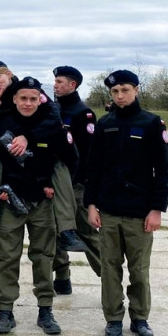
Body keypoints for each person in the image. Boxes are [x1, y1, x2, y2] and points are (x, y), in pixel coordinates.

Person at [0, 76, 75, 336]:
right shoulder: (3, 121)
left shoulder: (50, 124)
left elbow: (69, 159)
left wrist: (56, 185)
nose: (28, 103)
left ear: (40, 100)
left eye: (33, 98)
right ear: (14, 99)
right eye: (23, 98)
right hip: (10, 202)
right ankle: (5, 311)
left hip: (41, 202)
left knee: (43, 257)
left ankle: (45, 309)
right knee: (6, 258)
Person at [85, 70, 168, 336]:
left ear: (136, 90)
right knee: (109, 269)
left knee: (139, 271)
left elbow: (163, 171)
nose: (120, 96)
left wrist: (156, 209)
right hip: (108, 211)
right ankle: (113, 319)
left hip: (140, 212)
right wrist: (90, 205)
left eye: (125, 90)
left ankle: (140, 318)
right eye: (115, 92)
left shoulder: (151, 124)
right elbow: (94, 169)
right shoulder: (105, 124)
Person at [0, 66, 85, 257]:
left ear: (9, 75)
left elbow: (58, 129)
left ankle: (68, 231)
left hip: (42, 182)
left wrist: (28, 138)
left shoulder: (34, 95)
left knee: (59, 166)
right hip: (11, 183)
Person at [51, 65, 101, 294]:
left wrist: (81, 183)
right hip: (55, 182)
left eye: (60, 81)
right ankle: (62, 278)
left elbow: (90, 153)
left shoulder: (83, 113)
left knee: (85, 232)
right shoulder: (53, 109)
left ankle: (109, 276)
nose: (55, 85)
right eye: (55, 81)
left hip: (76, 185)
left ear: (73, 85)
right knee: (53, 232)